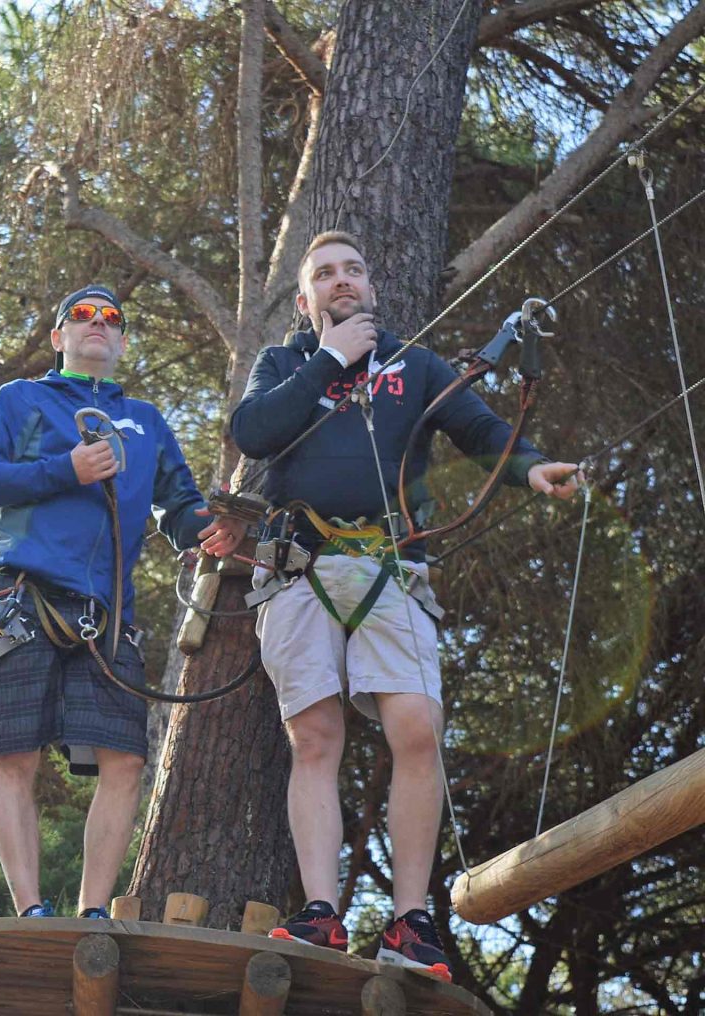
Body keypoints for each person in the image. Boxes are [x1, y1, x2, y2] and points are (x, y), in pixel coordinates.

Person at [230, 232, 581, 981]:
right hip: (300, 568)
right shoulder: (285, 364)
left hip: (391, 566)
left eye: (354, 270)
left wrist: (529, 467)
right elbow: (253, 433)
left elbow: (479, 428)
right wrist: (330, 360)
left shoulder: (415, 365)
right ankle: (321, 912)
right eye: (325, 274)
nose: (342, 281)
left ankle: (410, 922)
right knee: (314, 736)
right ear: (306, 299)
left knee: (417, 728)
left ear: (372, 287)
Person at [0, 285, 241, 920]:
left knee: (126, 759)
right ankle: (32, 911)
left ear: (122, 343)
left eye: (111, 319)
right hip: (19, 594)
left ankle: (92, 913)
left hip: (106, 612)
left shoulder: (145, 421)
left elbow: (181, 507)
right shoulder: (21, 399)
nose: (97, 323)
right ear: (58, 337)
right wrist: (67, 469)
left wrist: (215, 528)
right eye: (81, 315)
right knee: (16, 752)